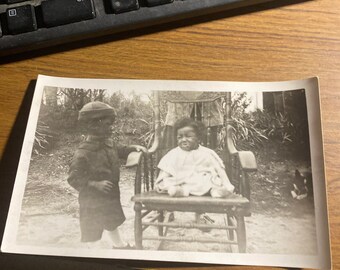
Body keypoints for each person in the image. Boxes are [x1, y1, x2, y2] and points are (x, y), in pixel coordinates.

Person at [67, 101, 144, 249]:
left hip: (109, 195)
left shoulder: (109, 143)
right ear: (95, 125)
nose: (111, 127)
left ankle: (119, 245)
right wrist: (94, 184)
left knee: (111, 221)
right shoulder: (82, 153)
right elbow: (73, 178)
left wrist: (132, 148)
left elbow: (120, 150)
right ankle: (96, 254)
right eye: (108, 124)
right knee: (92, 229)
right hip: (92, 200)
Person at [155, 118, 234, 198]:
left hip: (202, 182)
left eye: (188, 136)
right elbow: (163, 175)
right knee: (169, 182)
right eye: (180, 137)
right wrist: (164, 182)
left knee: (210, 180)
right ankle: (181, 192)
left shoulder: (207, 153)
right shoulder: (173, 154)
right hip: (181, 182)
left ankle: (216, 192)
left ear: (198, 138)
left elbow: (220, 169)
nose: (183, 140)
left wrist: (227, 184)